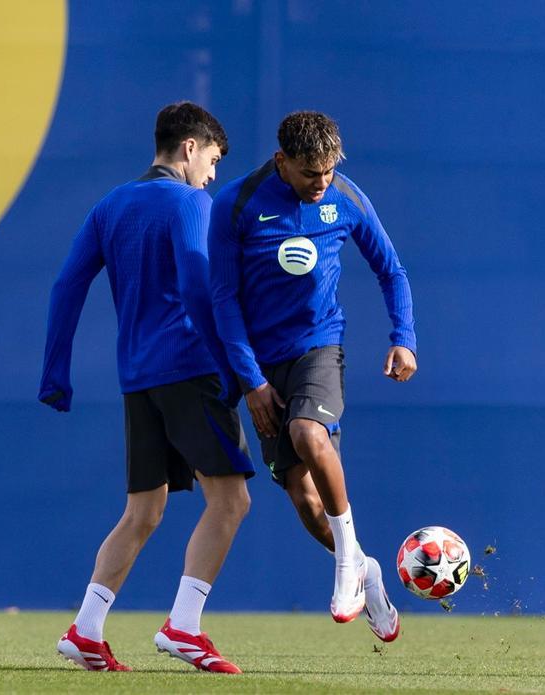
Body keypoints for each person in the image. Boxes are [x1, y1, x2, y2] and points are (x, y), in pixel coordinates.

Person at [40, 102, 252, 674]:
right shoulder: (190, 202)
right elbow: (195, 285)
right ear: (189, 148)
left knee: (144, 509)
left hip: (137, 378)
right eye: (211, 159)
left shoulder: (111, 204)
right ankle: (184, 627)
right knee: (230, 500)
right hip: (189, 368)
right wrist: (232, 366)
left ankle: (86, 630)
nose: (212, 175)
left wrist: (55, 370)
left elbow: (66, 286)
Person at [207, 111, 412, 641]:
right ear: (281, 162)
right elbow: (224, 300)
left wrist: (403, 338)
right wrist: (252, 382)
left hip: (319, 345)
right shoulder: (236, 203)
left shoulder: (345, 196)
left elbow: (390, 269)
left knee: (308, 433)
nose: (320, 184)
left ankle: (347, 565)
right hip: (262, 363)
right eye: (309, 174)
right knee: (303, 499)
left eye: (327, 171)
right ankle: (364, 566)